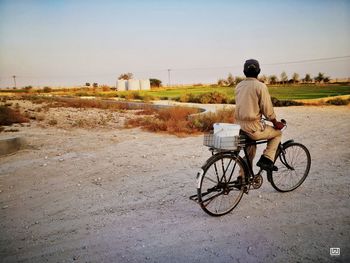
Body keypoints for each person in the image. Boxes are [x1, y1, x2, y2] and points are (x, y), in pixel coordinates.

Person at [235, 59, 285, 171]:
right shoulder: (260, 86)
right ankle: (267, 159)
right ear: (259, 71)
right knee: (277, 133)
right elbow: (267, 109)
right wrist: (275, 122)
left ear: (244, 71)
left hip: (239, 126)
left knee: (250, 148)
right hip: (253, 128)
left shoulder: (238, 86)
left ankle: (242, 177)